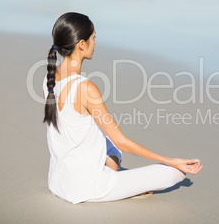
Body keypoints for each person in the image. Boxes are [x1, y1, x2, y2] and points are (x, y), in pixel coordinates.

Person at [43, 12, 202, 204]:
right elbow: (122, 142)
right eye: (93, 38)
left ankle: (122, 184)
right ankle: (126, 189)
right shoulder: (85, 87)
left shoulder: (48, 79)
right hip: (88, 187)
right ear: (82, 44)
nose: (95, 43)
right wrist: (171, 160)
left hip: (59, 182)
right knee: (175, 174)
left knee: (107, 141)